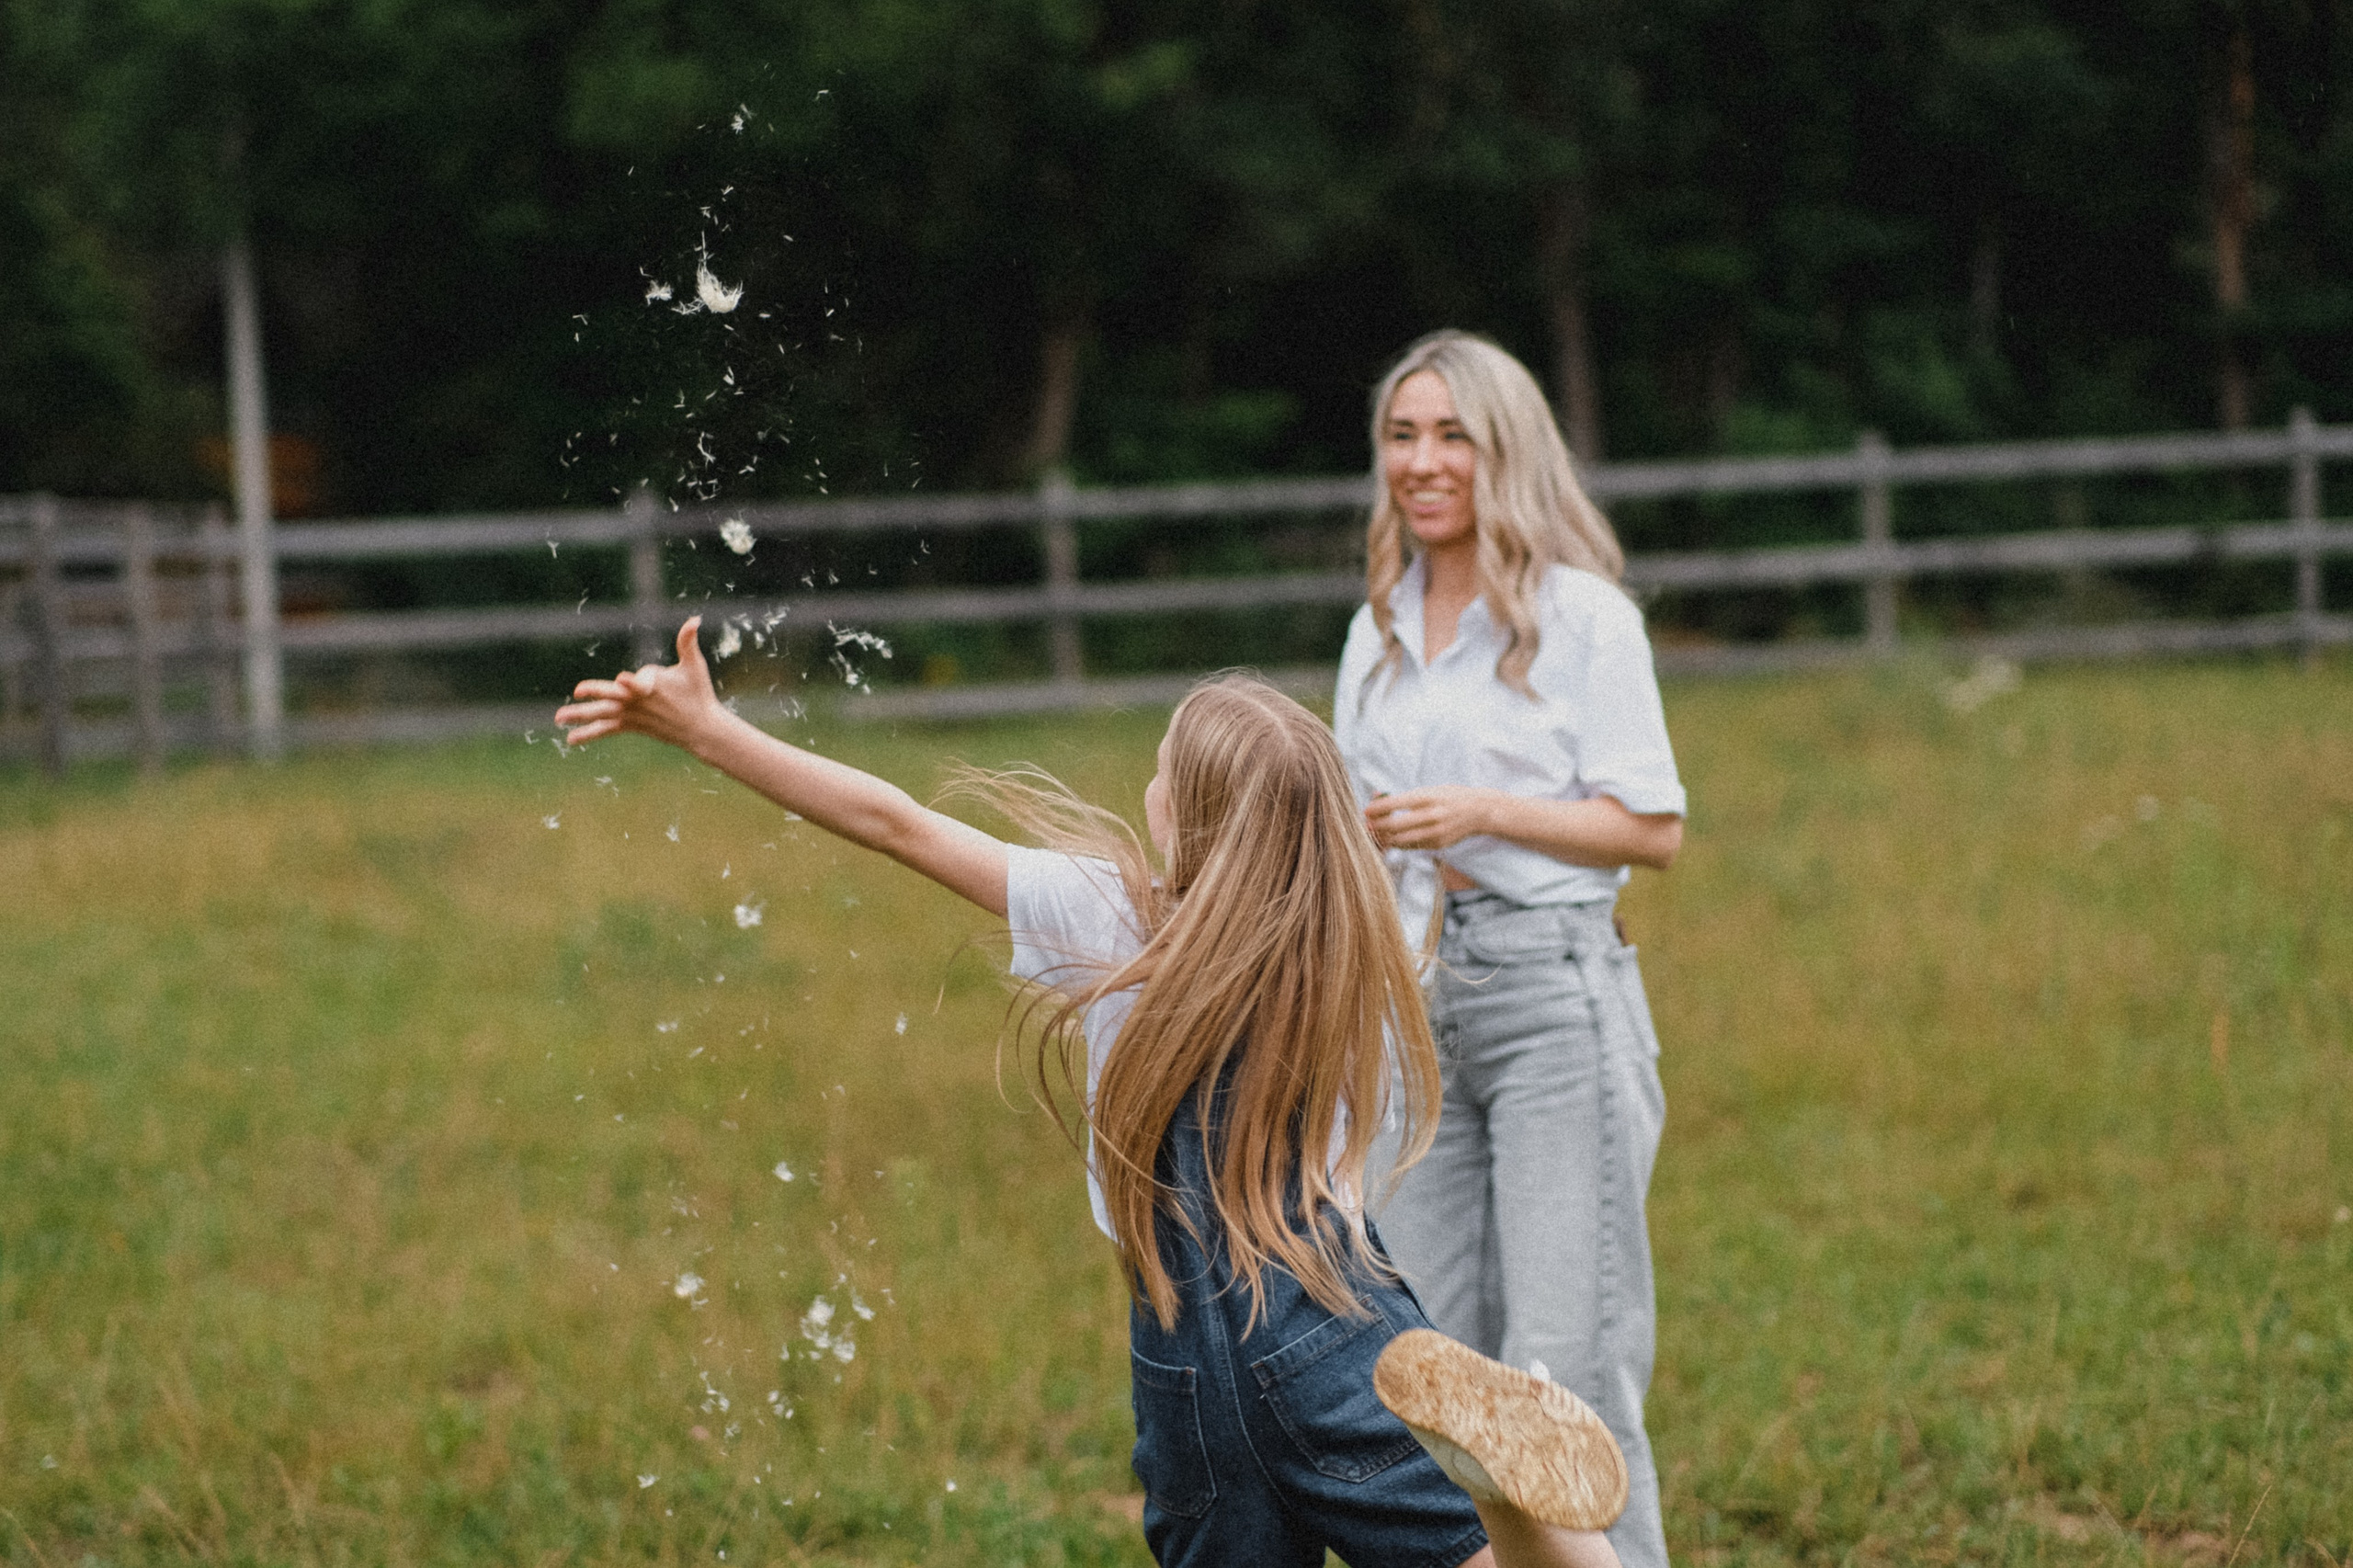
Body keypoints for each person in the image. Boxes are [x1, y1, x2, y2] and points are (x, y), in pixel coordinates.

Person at [555, 623, 1631, 1568]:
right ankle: (1509, 1493)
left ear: (1185, 818)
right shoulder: (1350, 953)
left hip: (1191, 1350)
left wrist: (711, 730)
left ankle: (1505, 1488)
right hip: (1343, 1317)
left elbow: (896, 822)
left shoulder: (1112, 917)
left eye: (1161, 770)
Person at [1336, 331, 1688, 1568]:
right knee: (1425, 1372)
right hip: (1413, 1010)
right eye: (1402, 435)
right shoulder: (1377, 629)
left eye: (1453, 436)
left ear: (1507, 452)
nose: (1422, 461)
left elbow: (1652, 827)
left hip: (1552, 998)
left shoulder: (1584, 617)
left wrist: (1480, 812)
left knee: (1560, 1386)